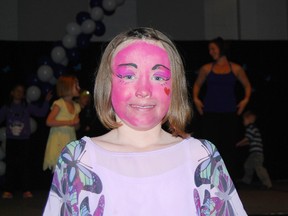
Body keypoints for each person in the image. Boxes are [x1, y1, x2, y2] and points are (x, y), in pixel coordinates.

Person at [43, 27, 247, 215]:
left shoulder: (201, 158)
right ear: (107, 83)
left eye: (158, 77)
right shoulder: (79, 160)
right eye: (129, 75)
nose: (143, 90)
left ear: (174, 86)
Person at [192, 36, 252, 181]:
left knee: (229, 149)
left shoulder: (236, 68)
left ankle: (229, 181)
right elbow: (197, 85)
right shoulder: (207, 68)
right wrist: (196, 99)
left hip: (229, 113)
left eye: (213, 49)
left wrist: (245, 100)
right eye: (209, 49)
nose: (211, 52)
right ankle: (210, 179)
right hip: (210, 113)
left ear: (221, 49)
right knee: (210, 148)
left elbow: (247, 86)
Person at [0, 83, 52, 199]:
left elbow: (41, 113)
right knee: (10, 166)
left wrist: (46, 101)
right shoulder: (7, 107)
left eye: (22, 91)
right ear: (12, 93)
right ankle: (8, 190)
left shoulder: (26, 106)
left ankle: (26, 190)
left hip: (24, 140)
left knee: (25, 166)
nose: (20, 93)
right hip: (11, 140)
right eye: (17, 90)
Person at [42, 75, 81, 172]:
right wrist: (70, 122)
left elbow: (76, 127)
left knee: (69, 171)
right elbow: (49, 121)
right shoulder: (59, 104)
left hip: (70, 139)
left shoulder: (76, 106)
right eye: (76, 85)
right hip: (58, 140)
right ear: (67, 87)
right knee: (59, 169)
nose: (79, 88)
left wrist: (76, 124)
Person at [236, 110, 272, 189]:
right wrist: (240, 145)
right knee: (247, 165)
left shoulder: (251, 127)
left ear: (249, 119)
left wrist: (239, 143)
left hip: (257, 153)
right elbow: (249, 141)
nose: (243, 122)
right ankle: (246, 181)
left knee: (259, 167)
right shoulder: (252, 128)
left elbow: (247, 138)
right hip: (253, 153)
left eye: (244, 120)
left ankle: (267, 184)